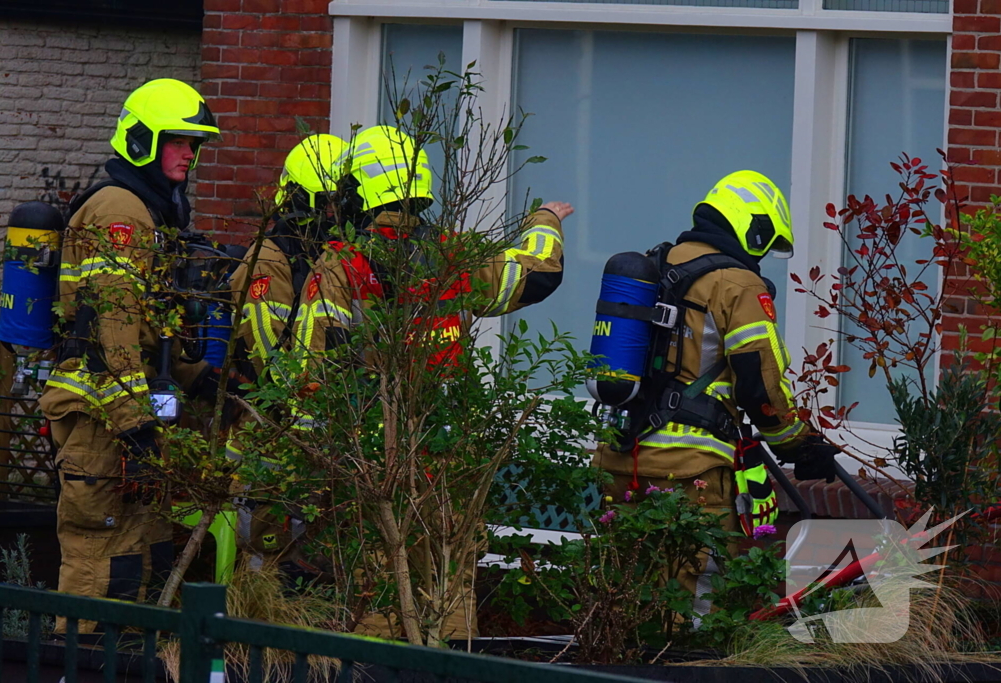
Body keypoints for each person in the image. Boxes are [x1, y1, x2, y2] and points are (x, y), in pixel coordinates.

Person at [295, 124, 574, 640]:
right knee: (447, 584)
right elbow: (539, 274)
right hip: (447, 453)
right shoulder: (452, 255)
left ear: (358, 187)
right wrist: (545, 219)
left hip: (376, 460)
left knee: (379, 587)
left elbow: (312, 365)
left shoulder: (341, 263)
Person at [591, 170, 839, 622]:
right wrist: (797, 444)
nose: (761, 257)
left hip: (623, 457)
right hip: (692, 471)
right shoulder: (736, 283)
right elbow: (759, 380)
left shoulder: (658, 264)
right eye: (764, 244)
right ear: (754, 227)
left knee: (628, 599)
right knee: (694, 608)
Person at [38, 78, 221, 631]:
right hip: (104, 425)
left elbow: (148, 332)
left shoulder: (151, 212)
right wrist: (135, 425)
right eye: (178, 140)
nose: (190, 154)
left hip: (127, 420)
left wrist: (201, 377)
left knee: (144, 557)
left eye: (196, 143)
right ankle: (84, 665)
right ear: (142, 139)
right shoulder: (121, 210)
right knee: (105, 569)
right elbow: (112, 331)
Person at [224, 133, 347, 581]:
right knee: (265, 561)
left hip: (316, 446)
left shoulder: (333, 265)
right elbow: (267, 362)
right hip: (270, 443)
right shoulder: (268, 264)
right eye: (334, 206)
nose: (341, 218)